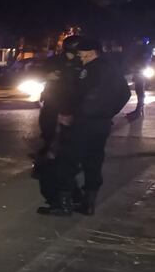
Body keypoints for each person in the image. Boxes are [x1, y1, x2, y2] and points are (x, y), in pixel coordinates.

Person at [40, 37, 130, 216]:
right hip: (101, 124)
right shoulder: (112, 69)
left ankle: (63, 205)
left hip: (81, 123)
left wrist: (67, 113)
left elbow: (75, 95)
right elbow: (125, 93)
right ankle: (88, 205)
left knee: (67, 161)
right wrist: (108, 112)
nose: (80, 58)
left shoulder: (87, 71)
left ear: (90, 53)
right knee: (93, 161)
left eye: (81, 55)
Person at [38, 34, 83, 159]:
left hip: (72, 99)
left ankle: (67, 151)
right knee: (47, 123)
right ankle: (48, 145)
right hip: (53, 96)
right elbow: (40, 73)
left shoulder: (82, 62)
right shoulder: (55, 60)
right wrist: (47, 76)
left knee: (70, 127)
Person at [124, 37, 151, 121]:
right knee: (139, 90)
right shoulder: (143, 48)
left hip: (140, 71)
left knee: (140, 90)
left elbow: (142, 60)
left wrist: (135, 68)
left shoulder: (144, 48)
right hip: (139, 71)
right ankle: (139, 109)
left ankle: (139, 110)